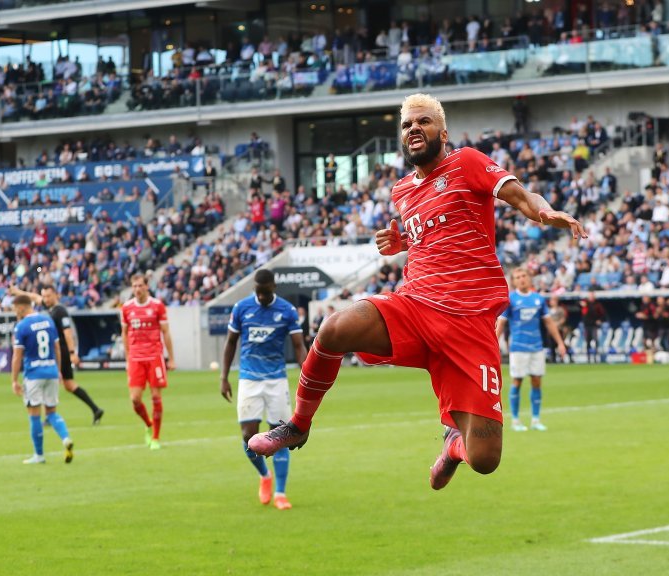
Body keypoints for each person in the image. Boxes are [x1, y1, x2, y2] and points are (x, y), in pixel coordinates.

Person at [248, 93, 585, 490]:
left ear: (443, 132)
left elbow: (520, 195)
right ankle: (299, 425)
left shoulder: (467, 162)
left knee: (485, 458)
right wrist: (402, 241)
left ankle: (454, 445)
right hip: (416, 306)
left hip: (469, 323)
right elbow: (436, 232)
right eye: (407, 125)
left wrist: (542, 211)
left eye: (423, 122)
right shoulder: (402, 191)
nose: (413, 130)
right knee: (335, 327)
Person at [220, 270, 308, 509]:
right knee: (249, 437)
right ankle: (264, 476)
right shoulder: (241, 308)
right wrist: (224, 377)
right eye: (259, 292)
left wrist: (308, 373)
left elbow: (299, 346)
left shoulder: (287, 311)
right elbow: (230, 343)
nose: (262, 296)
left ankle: (280, 492)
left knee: (279, 436)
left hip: (276, 379)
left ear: (274, 287)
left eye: (266, 292)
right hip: (249, 378)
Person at [10, 285, 105, 424]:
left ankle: (51, 415)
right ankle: (94, 409)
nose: (46, 299)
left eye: (49, 296)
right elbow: (35, 297)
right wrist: (19, 292)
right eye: (45, 296)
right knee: (67, 384)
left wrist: (72, 352)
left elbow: (67, 332)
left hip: (60, 351)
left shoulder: (60, 311)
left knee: (56, 381)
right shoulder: (50, 309)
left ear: (56, 295)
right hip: (54, 351)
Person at [495, 268, 567, 432]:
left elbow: (549, 323)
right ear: (514, 281)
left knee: (536, 382)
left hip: (536, 347)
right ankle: (515, 420)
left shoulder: (538, 299)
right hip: (518, 348)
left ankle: (535, 420)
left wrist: (560, 343)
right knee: (517, 381)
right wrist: (493, 344)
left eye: (524, 276)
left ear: (529, 278)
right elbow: (502, 324)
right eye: (518, 277)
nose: (521, 279)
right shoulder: (511, 300)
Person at [10, 295, 74, 464]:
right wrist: (58, 370)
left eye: (16, 308)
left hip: (33, 374)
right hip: (51, 371)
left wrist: (14, 380)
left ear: (22, 307)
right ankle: (66, 438)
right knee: (52, 412)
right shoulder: (48, 321)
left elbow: (17, 356)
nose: (15, 312)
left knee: (34, 415)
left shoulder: (22, 326)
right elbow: (57, 348)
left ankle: (39, 455)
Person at [121, 274, 175, 450]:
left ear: (147, 286)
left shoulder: (157, 306)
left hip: (154, 357)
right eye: (134, 286)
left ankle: (156, 438)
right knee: (135, 399)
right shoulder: (127, 308)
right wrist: (128, 357)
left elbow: (165, 332)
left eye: (140, 286)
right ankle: (148, 423)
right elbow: (125, 333)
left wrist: (171, 357)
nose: (137, 289)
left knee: (156, 397)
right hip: (136, 358)